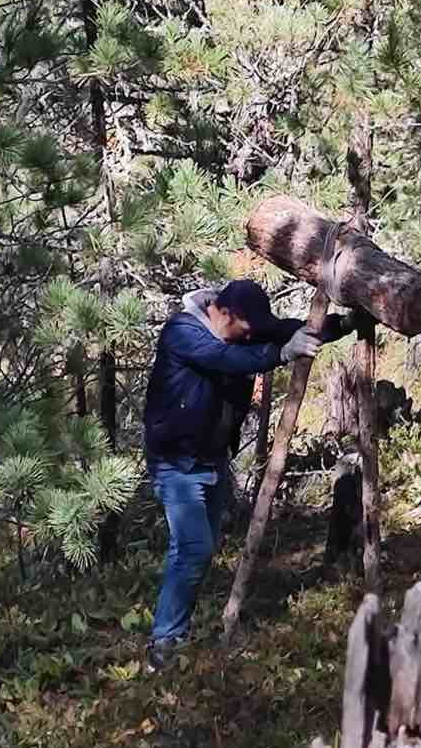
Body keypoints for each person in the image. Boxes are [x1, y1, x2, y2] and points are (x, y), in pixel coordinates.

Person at [142, 278, 357, 671]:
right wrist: (281, 353)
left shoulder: (240, 326)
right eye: (246, 328)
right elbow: (224, 360)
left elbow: (293, 328)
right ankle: (164, 644)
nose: (250, 335)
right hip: (176, 463)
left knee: (197, 551)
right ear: (224, 313)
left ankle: (177, 632)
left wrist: (343, 325)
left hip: (211, 459)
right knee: (192, 549)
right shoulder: (183, 333)